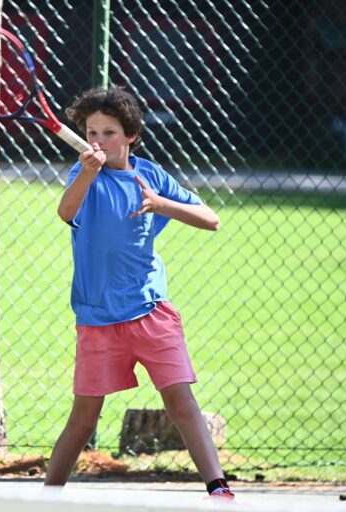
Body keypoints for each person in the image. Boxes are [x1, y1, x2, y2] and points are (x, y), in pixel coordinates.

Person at [44, 87, 234, 498]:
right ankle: (47, 496)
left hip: (151, 312)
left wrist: (162, 204)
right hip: (97, 319)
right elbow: (66, 212)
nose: (97, 141)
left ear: (130, 135)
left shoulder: (152, 176)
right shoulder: (84, 175)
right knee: (83, 419)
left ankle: (218, 488)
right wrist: (89, 173)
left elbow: (211, 219)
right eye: (91, 131)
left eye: (108, 132)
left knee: (181, 403)